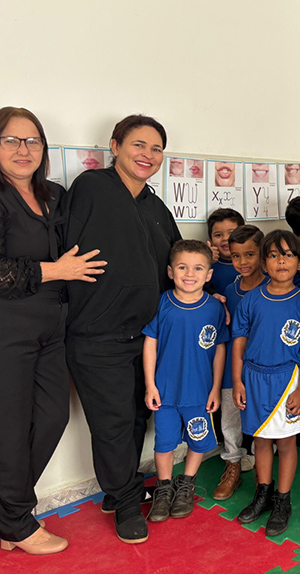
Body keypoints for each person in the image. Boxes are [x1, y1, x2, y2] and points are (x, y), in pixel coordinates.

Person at [62, 114, 181, 544]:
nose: (147, 155)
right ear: (115, 147)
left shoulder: (155, 206)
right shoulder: (92, 188)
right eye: (138, 145)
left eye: (156, 148)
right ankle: (127, 503)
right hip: (98, 334)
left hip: (146, 338)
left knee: (135, 417)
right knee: (111, 424)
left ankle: (120, 490)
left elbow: (175, 262)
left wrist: (206, 295)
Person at [0, 106, 105, 554]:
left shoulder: (55, 195)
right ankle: (16, 523)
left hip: (55, 322)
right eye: (10, 140)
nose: (23, 149)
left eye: (32, 141)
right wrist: (54, 270)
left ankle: (6, 515)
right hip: (9, 327)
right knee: (9, 428)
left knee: (53, 416)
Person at [231, 230, 300, 537]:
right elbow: (238, 342)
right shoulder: (251, 300)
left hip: (286, 381)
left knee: (286, 442)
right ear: (264, 264)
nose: (281, 261)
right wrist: (238, 381)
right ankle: (263, 494)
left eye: (288, 255)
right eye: (274, 255)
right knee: (261, 440)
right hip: (254, 378)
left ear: (299, 263)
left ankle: (283, 500)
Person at [142, 240, 227, 522]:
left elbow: (220, 350)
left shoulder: (214, 308)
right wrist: (150, 385)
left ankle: (187, 484)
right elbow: (150, 344)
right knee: (164, 443)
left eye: (198, 268)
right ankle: (164, 488)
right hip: (165, 392)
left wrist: (215, 388)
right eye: (182, 267)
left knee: (197, 441)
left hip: (199, 392)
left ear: (209, 274)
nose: (190, 274)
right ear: (170, 271)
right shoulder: (161, 303)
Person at [213, 225, 266, 501]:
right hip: (232, 367)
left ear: (262, 254)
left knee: (262, 418)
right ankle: (233, 463)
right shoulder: (229, 290)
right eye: (236, 256)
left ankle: (261, 468)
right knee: (230, 416)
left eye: (249, 254)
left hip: (263, 368)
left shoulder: (272, 288)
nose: (242, 262)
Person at [206, 207, 245, 295]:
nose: (225, 238)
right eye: (218, 235)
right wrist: (206, 261)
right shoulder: (208, 264)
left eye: (231, 233)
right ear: (211, 240)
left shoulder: (253, 261)